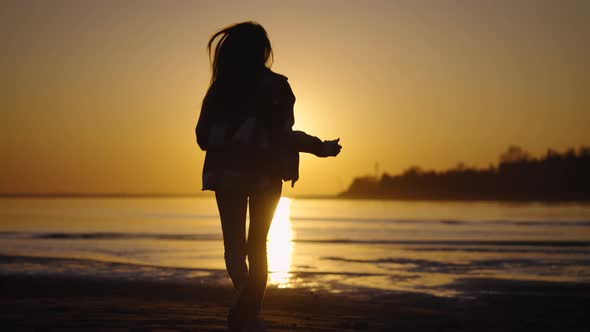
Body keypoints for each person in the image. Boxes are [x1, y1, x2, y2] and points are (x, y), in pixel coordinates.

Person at [195, 21, 341, 332]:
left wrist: (230, 135)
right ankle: (249, 309)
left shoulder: (220, 88)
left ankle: (245, 306)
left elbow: (202, 137)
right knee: (256, 245)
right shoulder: (277, 87)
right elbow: (284, 136)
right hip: (265, 175)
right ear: (262, 51)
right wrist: (320, 148)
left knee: (235, 248)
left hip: (228, 175)